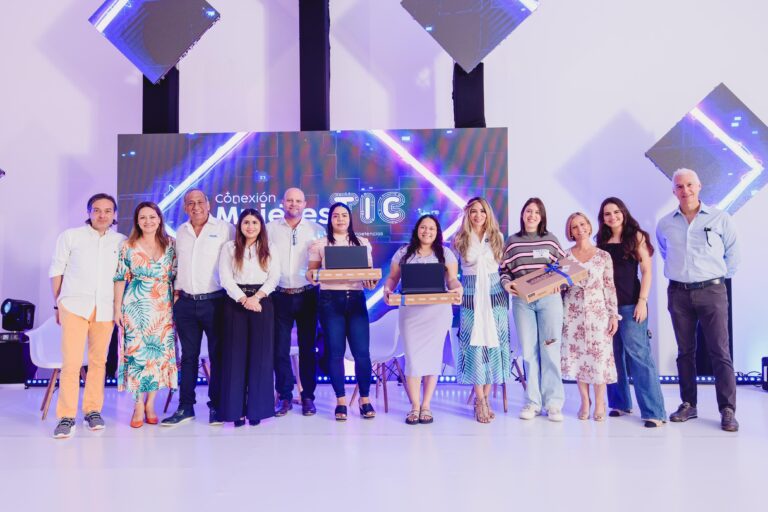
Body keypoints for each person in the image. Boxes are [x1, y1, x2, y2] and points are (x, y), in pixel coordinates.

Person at [656, 168, 740, 432]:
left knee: (720, 352)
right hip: (678, 293)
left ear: (699, 186)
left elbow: (733, 256)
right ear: (674, 191)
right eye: (679, 186)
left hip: (712, 291)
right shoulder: (665, 223)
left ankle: (727, 409)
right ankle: (688, 404)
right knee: (685, 352)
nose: (685, 190)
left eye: (690, 185)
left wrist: (713, 279)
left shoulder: (720, 218)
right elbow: (665, 251)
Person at [49, 193, 126, 439]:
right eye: (97, 210)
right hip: (74, 305)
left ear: (114, 214)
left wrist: (117, 309)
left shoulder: (121, 241)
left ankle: (93, 410)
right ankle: (66, 416)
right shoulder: (71, 236)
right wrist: (57, 304)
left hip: (105, 309)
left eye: (107, 210)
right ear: (89, 212)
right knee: (71, 363)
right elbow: (57, 270)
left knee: (98, 363)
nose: (102, 215)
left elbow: (121, 277)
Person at [161, 189, 235, 427]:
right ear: (185, 208)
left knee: (217, 356)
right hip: (186, 303)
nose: (195, 207)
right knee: (188, 357)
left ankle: (216, 406)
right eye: (190, 203)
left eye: (199, 202)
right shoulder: (180, 233)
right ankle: (185, 407)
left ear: (208, 203)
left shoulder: (226, 229)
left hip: (216, 301)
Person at [382, 215, 462, 425]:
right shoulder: (403, 252)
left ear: (437, 233)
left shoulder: (445, 253)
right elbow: (392, 278)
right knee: (414, 361)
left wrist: (457, 288)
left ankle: (426, 406)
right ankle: (414, 407)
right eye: (423, 227)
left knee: (433, 360)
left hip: (437, 313)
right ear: (417, 229)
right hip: (411, 314)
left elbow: (451, 279)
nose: (427, 232)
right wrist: (387, 288)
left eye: (432, 229)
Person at [596, 197, 666, 428]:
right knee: (612, 356)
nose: (612, 217)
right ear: (602, 218)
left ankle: (654, 412)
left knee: (639, 356)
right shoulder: (601, 240)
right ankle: (620, 403)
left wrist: (642, 301)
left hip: (630, 304)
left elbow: (646, 271)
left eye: (616, 212)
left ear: (623, 213)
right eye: (607, 214)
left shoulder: (636, 236)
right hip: (607, 307)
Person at [307, 202, 377, 421]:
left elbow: (369, 275)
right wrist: (315, 277)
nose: (340, 219)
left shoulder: (362, 243)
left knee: (362, 353)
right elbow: (311, 273)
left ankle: (364, 399)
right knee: (335, 353)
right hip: (330, 301)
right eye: (335, 215)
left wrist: (371, 282)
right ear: (330, 219)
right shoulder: (320, 243)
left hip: (355, 299)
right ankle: (341, 401)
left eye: (344, 215)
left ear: (350, 219)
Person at [500, 198, 566, 422]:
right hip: (522, 302)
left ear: (542, 216)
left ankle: (554, 403)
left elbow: (565, 267)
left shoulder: (550, 240)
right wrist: (506, 284)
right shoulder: (512, 242)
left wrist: (561, 282)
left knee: (550, 350)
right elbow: (504, 270)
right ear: (522, 214)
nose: (532, 215)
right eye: (528, 211)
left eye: (537, 212)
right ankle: (533, 403)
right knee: (528, 352)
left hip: (549, 300)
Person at [113, 202, 178, 428]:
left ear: (159, 219)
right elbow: (120, 278)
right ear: (137, 221)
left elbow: (176, 277)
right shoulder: (128, 246)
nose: (148, 221)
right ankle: (138, 404)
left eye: (152, 217)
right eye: (143, 218)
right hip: (135, 307)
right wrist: (116, 309)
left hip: (163, 307)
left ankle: (151, 403)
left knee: (158, 357)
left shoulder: (171, 245)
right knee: (138, 358)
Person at [218, 209, 280, 426]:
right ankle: (235, 411)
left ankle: (257, 410)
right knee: (235, 358)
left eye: (255, 222)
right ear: (240, 225)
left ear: (260, 225)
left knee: (260, 358)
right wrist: (244, 299)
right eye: (246, 222)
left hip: (262, 303)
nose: (250, 226)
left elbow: (274, 277)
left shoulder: (270, 248)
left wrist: (258, 297)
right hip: (236, 303)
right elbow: (225, 278)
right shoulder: (229, 248)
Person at [266, 188, 325, 417]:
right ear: (283, 202)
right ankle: (285, 397)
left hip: (308, 294)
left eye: (298, 200)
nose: (293, 204)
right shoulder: (270, 229)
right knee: (279, 349)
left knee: (308, 349)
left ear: (305, 204)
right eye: (289, 200)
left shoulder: (316, 230)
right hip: (278, 294)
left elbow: (323, 264)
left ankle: (308, 396)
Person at [453, 197, 510, 423]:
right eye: (474, 211)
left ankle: (486, 397)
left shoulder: (498, 238)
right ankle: (479, 400)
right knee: (474, 346)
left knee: (495, 345)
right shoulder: (460, 239)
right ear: (468, 214)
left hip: (495, 294)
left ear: (488, 214)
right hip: (470, 293)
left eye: (482, 211)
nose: (478, 215)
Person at [561, 212, 619, 421]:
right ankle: (585, 401)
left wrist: (613, 315)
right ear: (570, 231)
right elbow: (560, 286)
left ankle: (600, 402)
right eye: (574, 226)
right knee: (579, 357)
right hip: (573, 310)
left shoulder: (603, 256)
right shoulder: (564, 256)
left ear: (589, 226)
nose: (580, 229)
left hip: (598, 311)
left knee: (599, 358)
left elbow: (609, 286)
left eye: (583, 224)